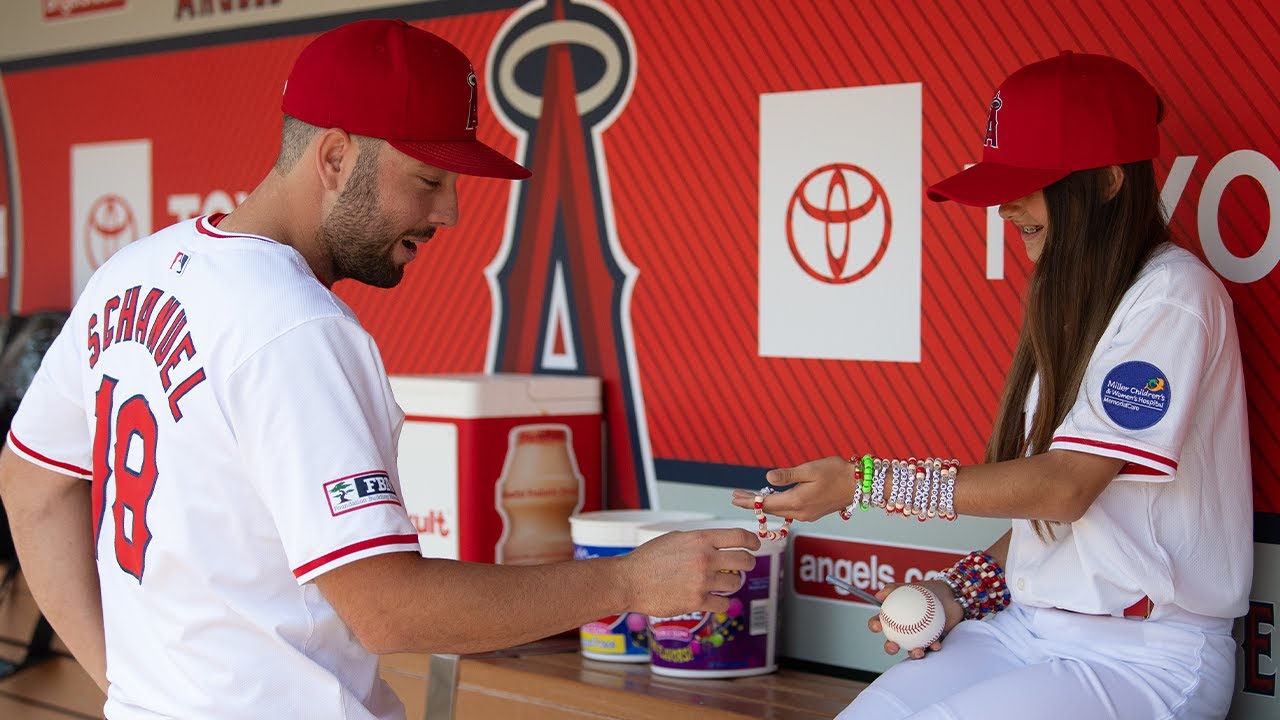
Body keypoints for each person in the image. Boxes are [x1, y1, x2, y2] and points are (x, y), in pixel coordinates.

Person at [0, 19, 758, 720]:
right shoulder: (294, 325)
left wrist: (127, 688)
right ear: (334, 157)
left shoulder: (133, 272)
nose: (450, 212)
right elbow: (388, 609)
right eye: (428, 181)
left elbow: (29, 487)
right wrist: (626, 582)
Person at [733, 51, 1251, 720]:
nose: (1006, 205)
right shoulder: (1068, 301)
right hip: (1025, 627)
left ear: (1108, 182)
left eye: (1030, 183)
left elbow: (1065, 488)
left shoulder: (1174, 296)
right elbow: (1063, 527)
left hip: (1146, 654)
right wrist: (958, 590)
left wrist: (864, 482)